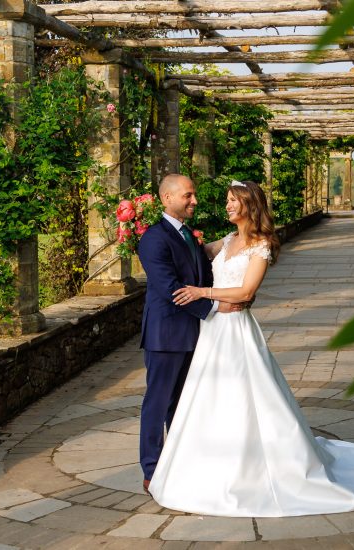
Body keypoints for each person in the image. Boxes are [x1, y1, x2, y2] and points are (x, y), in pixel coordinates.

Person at [148, 180, 354, 517]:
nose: (226, 206)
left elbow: (244, 293)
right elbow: (185, 250)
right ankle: (203, 463)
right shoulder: (226, 241)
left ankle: (257, 467)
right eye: (226, 200)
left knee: (246, 393)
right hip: (212, 330)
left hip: (236, 328)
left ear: (249, 205)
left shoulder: (262, 245)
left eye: (232, 201)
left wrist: (202, 293)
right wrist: (148, 231)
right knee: (208, 395)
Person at [137, 174, 244, 495]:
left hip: (195, 334)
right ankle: (152, 469)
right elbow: (170, 288)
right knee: (157, 403)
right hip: (165, 335)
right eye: (188, 195)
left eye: (194, 194)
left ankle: (180, 460)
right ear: (167, 199)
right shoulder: (154, 239)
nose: (194, 200)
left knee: (182, 404)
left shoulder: (190, 237)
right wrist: (214, 309)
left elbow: (206, 274)